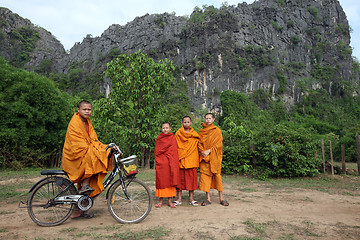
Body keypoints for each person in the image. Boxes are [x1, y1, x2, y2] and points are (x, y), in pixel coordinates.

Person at [62, 100, 113, 218]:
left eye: (89, 109)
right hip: (74, 155)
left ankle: (79, 210)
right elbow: (77, 144)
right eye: (84, 109)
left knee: (95, 153)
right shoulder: (75, 122)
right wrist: (98, 149)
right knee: (93, 153)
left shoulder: (87, 122)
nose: (87, 111)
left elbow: (94, 140)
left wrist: (106, 147)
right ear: (78, 110)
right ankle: (85, 184)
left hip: (84, 154)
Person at [198, 113, 229, 206]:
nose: (208, 120)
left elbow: (219, 145)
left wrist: (209, 151)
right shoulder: (201, 131)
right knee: (205, 177)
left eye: (209, 118)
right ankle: (208, 198)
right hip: (205, 157)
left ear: (213, 120)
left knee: (217, 177)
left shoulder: (217, 131)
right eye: (206, 118)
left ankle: (221, 198)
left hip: (215, 157)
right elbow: (199, 143)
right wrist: (203, 152)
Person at [174, 116, 200, 206]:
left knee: (191, 180)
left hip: (191, 160)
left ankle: (191, 198)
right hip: (181, 160)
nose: (186, 124)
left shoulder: (195, 134)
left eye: (188, 122)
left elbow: (197, 146)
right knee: (180, 180)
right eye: (185, 122)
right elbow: (176, 148)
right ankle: (179, 199)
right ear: (182, 123)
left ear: (191, 123)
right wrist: (177, 159)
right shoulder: (178, 134)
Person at [154, 122, 180, 208]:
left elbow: (174, 151)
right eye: (164, 128)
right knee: (161, 180)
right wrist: (160, 160)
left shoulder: (172, 137)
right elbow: (157, 151)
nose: (165, 129)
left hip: (170, 163)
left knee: (170, 180)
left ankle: (170, 201)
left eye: (167, 128)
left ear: (170, 129)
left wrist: (173, 161)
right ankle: (160, 201)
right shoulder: (159, 138)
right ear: (161, 129)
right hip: (162, 163)